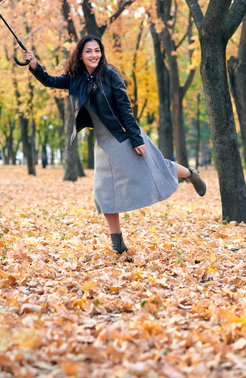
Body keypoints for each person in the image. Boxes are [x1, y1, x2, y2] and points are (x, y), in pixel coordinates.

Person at [22, 35, 206, 254]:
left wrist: (136, 139)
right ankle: (117, 244)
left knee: (157, 167)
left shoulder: (109, 74)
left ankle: (191, 174)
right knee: (105, 193)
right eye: (89, 51)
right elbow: (51, 81)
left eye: (97, 50)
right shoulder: (77, 78)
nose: (94, 55)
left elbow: (125, 108)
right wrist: (34, 64)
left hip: (124, 137)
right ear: (80, 55)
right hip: (103, 144)